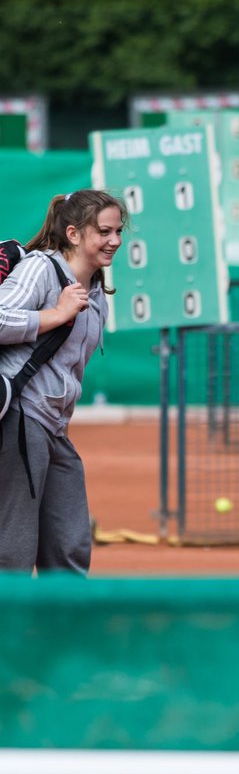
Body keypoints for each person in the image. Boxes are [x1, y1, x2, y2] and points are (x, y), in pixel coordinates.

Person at [0, 190, 125, 574]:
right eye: (104, 231)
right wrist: (54, 315)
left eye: (119, 231)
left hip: (54, 425)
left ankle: (63, 629)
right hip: (21, 417)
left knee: (70, 541)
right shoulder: (41, 269)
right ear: (73, 233)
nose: (115, 241)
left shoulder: (95, 291)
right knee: (14, 546)